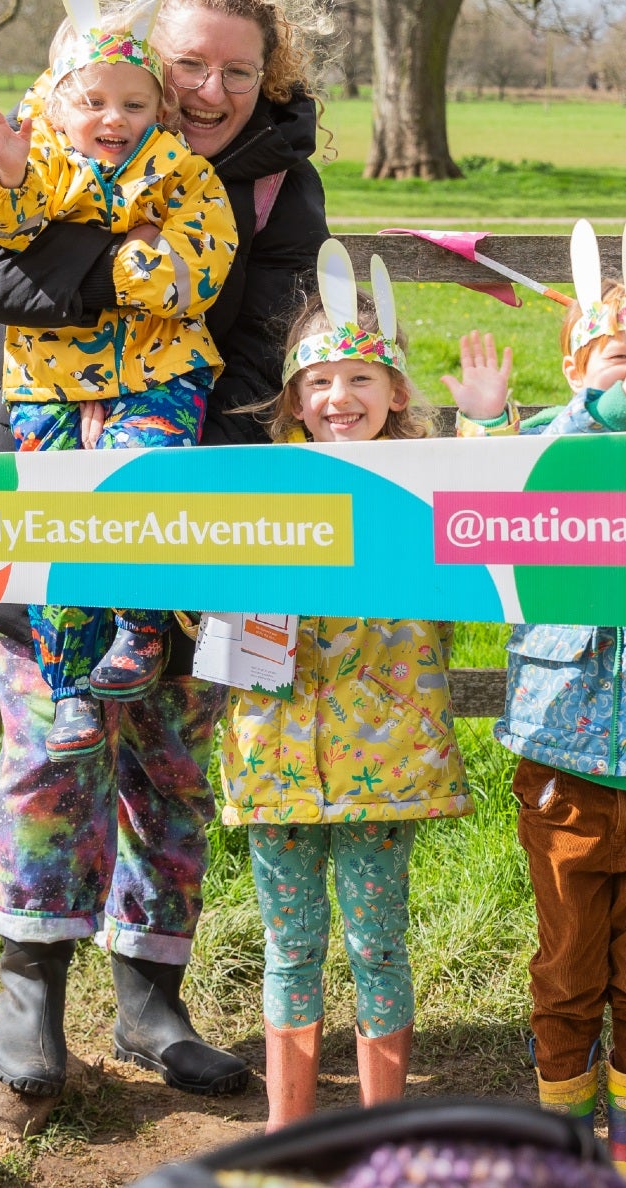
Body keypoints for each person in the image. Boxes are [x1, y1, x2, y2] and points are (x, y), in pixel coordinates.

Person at [0, 0, 332, 1105]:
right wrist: (119, 281)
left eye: (237, 75)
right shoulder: (61, 123)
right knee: (56, 742)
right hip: (31, 480)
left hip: (194, 503)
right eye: (191, 64)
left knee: (170, 760)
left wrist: (183, 522)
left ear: (270, 76)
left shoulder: (269, 189)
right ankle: (30, 991)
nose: (210, 91)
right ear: (147, 60)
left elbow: (255, 353)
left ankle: (153, 997)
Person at [452, 242, 626, 1188]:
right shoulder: (556, 449)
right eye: (618, 355)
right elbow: (500, 497)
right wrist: (499, 424)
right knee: (568, 978)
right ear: (575, 368)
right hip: (567, 772)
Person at [218, 248, 471, 1131]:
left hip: (385, 763)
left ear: (396, 390)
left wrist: (483, 419)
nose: (339, 397)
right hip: (276, 761)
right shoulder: (254, 489)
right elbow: (192, 594)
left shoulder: (434, 478)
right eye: (319, 380)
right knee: (290, 949)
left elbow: (509, 500)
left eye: (361, 376)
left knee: (376, 944)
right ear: (293, 398)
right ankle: (291, 1134)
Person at [0, 6, 236, 757]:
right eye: (94, 102)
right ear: (58, 103)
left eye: (134, 103)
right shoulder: (39, 163)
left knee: (145, 483)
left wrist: (93, 262)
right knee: (56, 523)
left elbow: (197, 272)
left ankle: (142, 630)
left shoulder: (182, 173)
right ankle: (70, 686)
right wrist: (10, 172)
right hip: (47, 379)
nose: (114, 119)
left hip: (160, 371)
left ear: (160, 108)